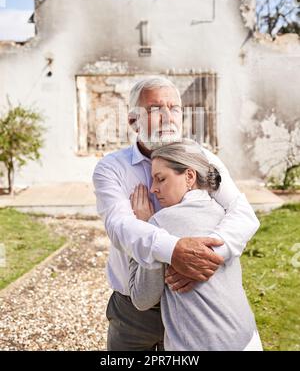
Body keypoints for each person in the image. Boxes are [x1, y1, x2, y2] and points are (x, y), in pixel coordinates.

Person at [92, 77, 260, 351]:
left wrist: (205, 257)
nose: (168, 117)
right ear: (134, 121)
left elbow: (242, 214)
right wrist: (174, 251)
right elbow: (120, 226)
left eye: (175, 108)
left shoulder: (202, 158)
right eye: (157, 109)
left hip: (197, 298)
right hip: (137, 311)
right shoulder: (111, 168)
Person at [128, 140, 263, 351]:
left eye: (160, 179)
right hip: (247, 338)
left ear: (189, 176)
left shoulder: (160, 224)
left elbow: (142, 298)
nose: (153, 189)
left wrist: (143, 227)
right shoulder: (222, 213)